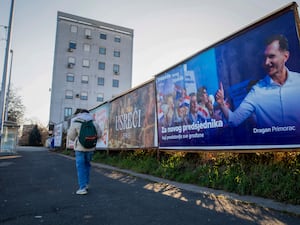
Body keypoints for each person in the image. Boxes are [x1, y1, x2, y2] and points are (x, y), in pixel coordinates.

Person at [215, 34, 300, 129]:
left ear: (285, 56)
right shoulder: (257, 90)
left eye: (271, 56)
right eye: (264, 58)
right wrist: (221, 103)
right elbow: (234, 120)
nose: (266, 62)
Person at [67, 109, 102, 195]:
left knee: (80, 167)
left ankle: (82, 188)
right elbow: (100, 134)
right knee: (87, 165)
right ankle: (86, 184)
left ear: (80, 114)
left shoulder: (76, 122)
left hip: (79, 148)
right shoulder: (94, 122)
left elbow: (71, 136)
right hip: (90, 148)